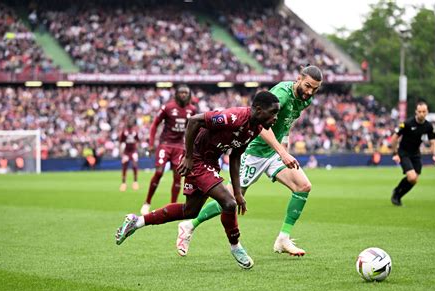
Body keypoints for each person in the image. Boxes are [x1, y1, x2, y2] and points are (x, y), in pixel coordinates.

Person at [115, 91, 280, 269]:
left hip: (210, 161)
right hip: (197, 160)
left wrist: (239, 192)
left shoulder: (254, 128)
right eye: (273, 112)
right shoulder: (233, 117)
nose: (275, 117)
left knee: (190, 211)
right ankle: (235, 246)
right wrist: (188, 156)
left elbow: (235, 156)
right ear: (258, 109)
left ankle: (136, 222)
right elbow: (194, 120)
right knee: (229, 203)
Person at [176, 65, 323, 257]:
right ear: (298, 78)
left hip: (273, 152)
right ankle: (188, 225)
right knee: (230, 199)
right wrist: (282, 153)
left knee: (303, 186)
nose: (310, 91)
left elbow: (287, 123)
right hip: (253, 151)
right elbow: (261, 126)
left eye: (315, 88)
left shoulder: (305, 99)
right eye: (308, 86)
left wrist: (283, 146)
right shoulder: (281, 94)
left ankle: (283, 239)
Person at [140, 85, 197, 214]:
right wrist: (151, 143)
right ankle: (147, 202)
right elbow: (155, 124)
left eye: (186, 93)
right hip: (165, 144)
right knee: (159, 172)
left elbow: (195, 128)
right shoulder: (168, 107)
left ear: (189, 95)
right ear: (176, 94)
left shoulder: (192, 110)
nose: (183, 95)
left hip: (180, 146)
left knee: (178, 176)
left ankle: (172, 206)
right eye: (181, 92)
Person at [390, 101, 435, 206]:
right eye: (419, 111)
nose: (422, 113)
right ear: (416, 112)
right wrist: (395, 153)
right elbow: (394, 137)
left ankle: (398, 195)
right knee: (411, 177)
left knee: (414, 180)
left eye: (424, 111)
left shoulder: (428, 126)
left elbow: (433, 142)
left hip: (416, 153)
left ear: (427, 112)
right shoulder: (407, 123)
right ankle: (396, 192)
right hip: (404, 152)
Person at [119, 119, 140, 192]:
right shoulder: (124, 132)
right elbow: (121, 141)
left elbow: (137, 140)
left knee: (134, 165)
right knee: (125, 166)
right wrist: (121, 151)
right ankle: (123, 183)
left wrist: (137, 149)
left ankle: (135, 182)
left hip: (133, 151)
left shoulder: (134, 132)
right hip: (126, 151)